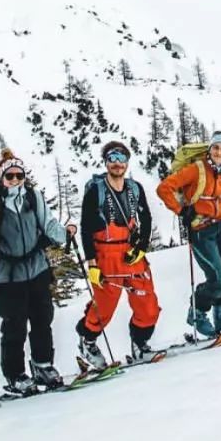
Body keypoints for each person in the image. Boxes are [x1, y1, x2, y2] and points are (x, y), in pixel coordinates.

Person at [0, 149, 76, 394]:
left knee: (43, 319)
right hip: (9, 275)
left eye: (19, 175)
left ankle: (42, 365)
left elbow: (48, 222)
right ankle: (15, 374)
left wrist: (65, 234)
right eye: (9, 176)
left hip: (37, 267)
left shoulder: (33, 197)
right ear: (1, 177)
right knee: (15, 325)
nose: (15, 180)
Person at [157, 130, 221, 338]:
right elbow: (164, 188)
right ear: (210, 150)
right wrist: (182, 211)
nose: (219, 152)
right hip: (201, 229)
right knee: (217, 278)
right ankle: (197, 313)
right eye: (216, 147)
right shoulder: (196, 169)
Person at [75, 141, 161, 368]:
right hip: (106, 254)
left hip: (131, 253)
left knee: (147, 302)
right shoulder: (96, 190)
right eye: (112, 158)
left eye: (122, 159)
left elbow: (147, 218)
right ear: (105, 162)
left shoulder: (135, 188)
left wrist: (141, 246)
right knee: (104, 306)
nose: (117, 163)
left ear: (127, 163)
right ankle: (88, 340)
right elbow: (85, 228)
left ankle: (140, 344)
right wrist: (92, 264)